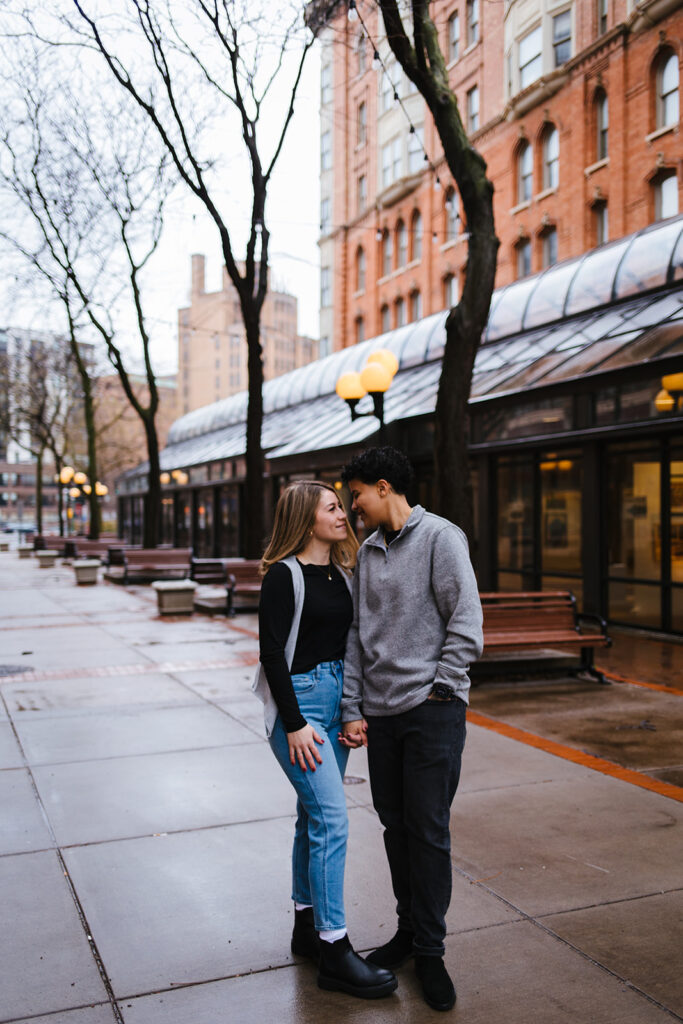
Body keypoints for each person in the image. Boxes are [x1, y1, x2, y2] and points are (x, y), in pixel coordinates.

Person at [339, 447, 483, 1013]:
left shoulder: (441, 538)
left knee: (427, 830)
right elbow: (355, 634)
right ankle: (407, 931)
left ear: (382, 487)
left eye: (356, 495)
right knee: (396, 827)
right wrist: (355, 705)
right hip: (382, 713)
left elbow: (466, 619)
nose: (353, 506)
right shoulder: (366, 554)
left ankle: (431, 951)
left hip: (431, 710)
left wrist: (442, 687)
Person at [253, 480, 397, 1000]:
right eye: (333, 508)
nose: (343, 514)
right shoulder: (283, 578)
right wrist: (294, 724)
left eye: (342, 506)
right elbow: (272, 655)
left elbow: (352, 647)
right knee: (333, 821)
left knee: (312, 818)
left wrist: (351, 711)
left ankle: (305, 926)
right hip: (301, 708)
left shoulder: (342, 573)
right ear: (305, 519)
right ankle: (334, 948)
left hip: (335, 706)